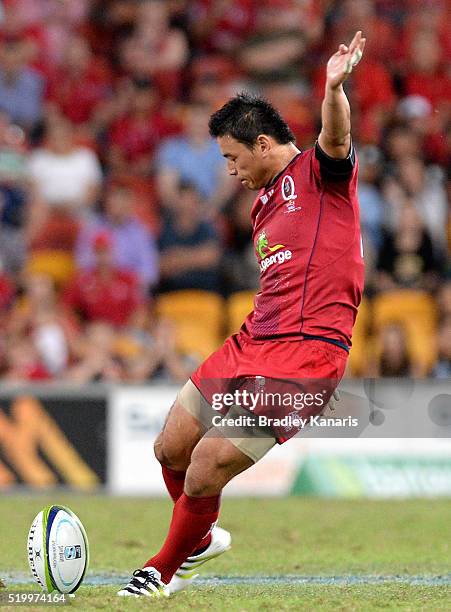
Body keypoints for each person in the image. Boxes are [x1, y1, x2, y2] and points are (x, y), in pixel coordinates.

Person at [118, 31, 366, 598]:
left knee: (206, 465)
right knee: (171, 446)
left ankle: (160, 570)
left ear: (261, 144)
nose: (228, 170)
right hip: (255, 338)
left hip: (307, 353)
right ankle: (199, 537)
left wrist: (333, 87)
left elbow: (337, 132)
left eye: (231, 157)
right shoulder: (260, 205)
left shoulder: (320, 175)